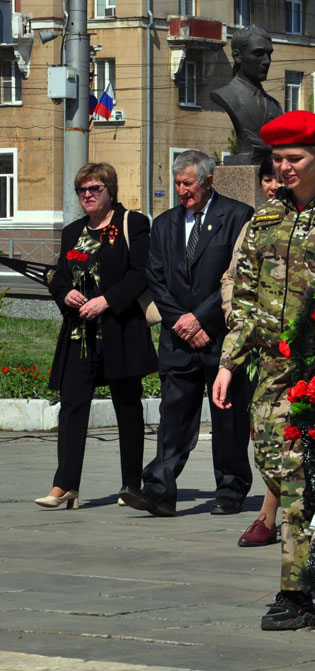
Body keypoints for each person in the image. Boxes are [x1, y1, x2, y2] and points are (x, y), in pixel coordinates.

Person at [212, 110, 315, 630]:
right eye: (278, 159)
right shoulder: (264, 218)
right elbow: (242, 296)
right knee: (275, 463)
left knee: (309, 478)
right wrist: (228, 362)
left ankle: (299, 591)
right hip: (273, 369)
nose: (284, 168)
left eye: (295, 158)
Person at [120, 151, 254, 518]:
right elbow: (156, 278)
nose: (182, 191)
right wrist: (181, 321)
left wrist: (201, 318)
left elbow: (238, 276)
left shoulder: (238, 216)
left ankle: (230, 488)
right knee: (174, 418)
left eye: (188, 183)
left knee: (227, 418)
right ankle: (160, 489)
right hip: (178, 338)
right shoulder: (164, 223)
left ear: (208, 181)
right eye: (177, 183)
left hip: (218, 337)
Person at [38, 163, 157, 509]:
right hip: (81, 334)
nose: (87, 195)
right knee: (72, 406)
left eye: (95, 189)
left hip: (121, 331)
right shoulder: (74, 231)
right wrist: (65, 296)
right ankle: (65, 485)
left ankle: (131, 485)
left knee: (127, 407)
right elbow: (59, 276)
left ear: (110, 191)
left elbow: (140, 273)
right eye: (82, 190)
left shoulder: (131, 224)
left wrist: (107, 301)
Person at [232, 157, 282, 547]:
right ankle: (269, 515)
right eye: (268, 176)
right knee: (266, 438)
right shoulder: (257, 224)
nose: (273, 184)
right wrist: (238, 326)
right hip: (262, 347)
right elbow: (235, 281)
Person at [210, 26, 282, 165]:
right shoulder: (227, 95)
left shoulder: (275, 106)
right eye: (258, 54)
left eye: (269, 54)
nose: (267, 61)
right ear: (237, 56)